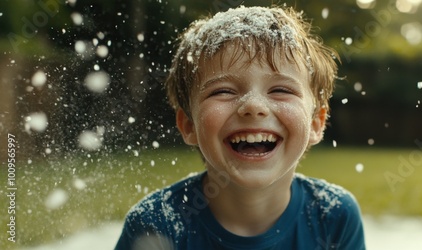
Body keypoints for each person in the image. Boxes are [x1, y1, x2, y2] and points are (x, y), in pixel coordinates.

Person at [115, 5, 365, 250]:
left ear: (315, 123)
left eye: (281, 90)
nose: (253, 106)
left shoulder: (334, 217)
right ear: (189, 125)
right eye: (223, 91)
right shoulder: (156, 224)